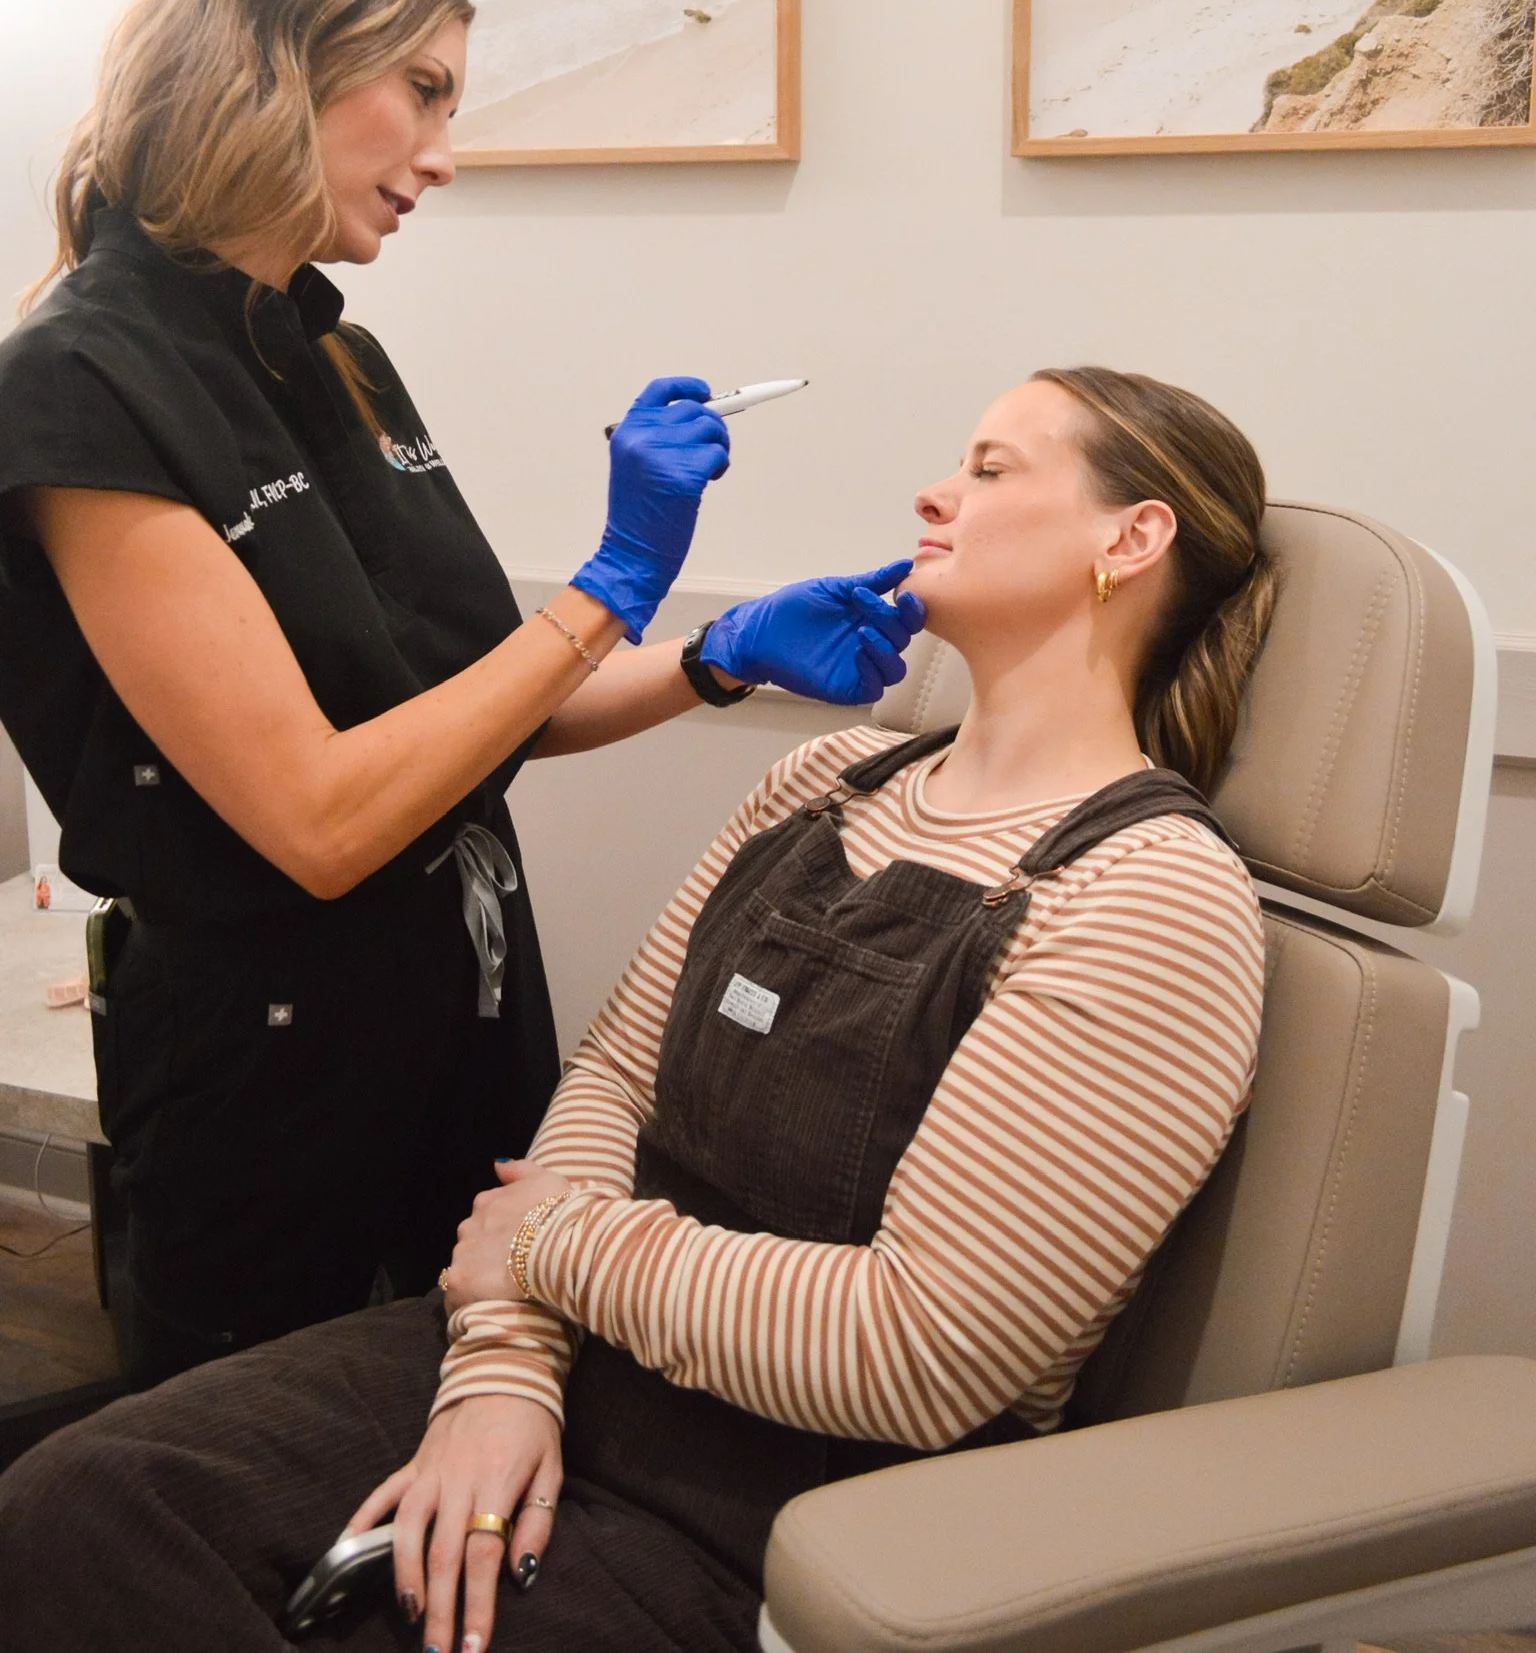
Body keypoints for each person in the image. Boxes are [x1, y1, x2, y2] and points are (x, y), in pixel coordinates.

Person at [0, 364, 1277, 1653]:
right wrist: (501, 1377)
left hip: (793, 1498)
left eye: (993, 470)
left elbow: (918, 1347)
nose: (934, 491)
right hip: (566, 1361)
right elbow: (616, 1079)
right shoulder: (823, 779)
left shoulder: (1149, 898)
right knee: (83, 1508)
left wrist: (551, 1249)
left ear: (1133, 536)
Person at [0, 0, 923, 1390]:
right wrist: (614, 583)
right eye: (421, 92)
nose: (445, 152)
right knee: (266, 1476)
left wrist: (715, 654)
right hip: (271, 1066)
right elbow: (319, 814)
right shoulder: (79, 384)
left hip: (463, 1002)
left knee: (475, 1401)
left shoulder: (336, 351)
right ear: (276, 64)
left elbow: (478, 711)